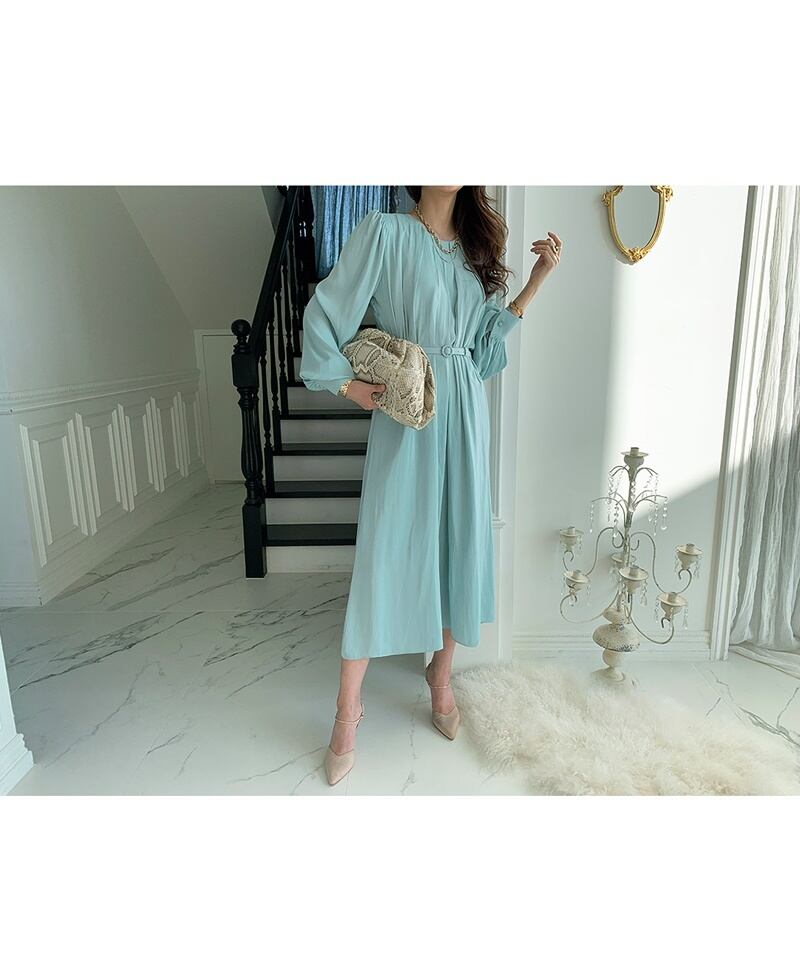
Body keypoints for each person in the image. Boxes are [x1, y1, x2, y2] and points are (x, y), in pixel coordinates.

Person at [299, 186, 562, 785]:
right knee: (385, 551)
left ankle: (440, 677)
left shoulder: (476, 247)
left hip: (463, 410)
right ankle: (347, 709)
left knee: (457, 543)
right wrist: (347, 385)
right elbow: (326, 311)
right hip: (409, 411)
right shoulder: (384, 233)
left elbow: (484, 352)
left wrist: (536, 281)